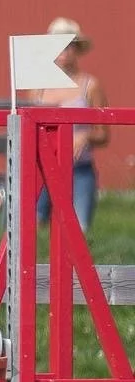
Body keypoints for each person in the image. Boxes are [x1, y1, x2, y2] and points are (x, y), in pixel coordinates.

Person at [31, 17, 109, 233]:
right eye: (57, 46)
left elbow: (103, 134)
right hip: (42, 168)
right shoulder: (38, 88)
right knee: (31, 228)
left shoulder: (90, 86)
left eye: (68, 46)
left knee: (79, 231)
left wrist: (85, 136)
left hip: (79, 169)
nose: (63, 52)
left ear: (77, 50)